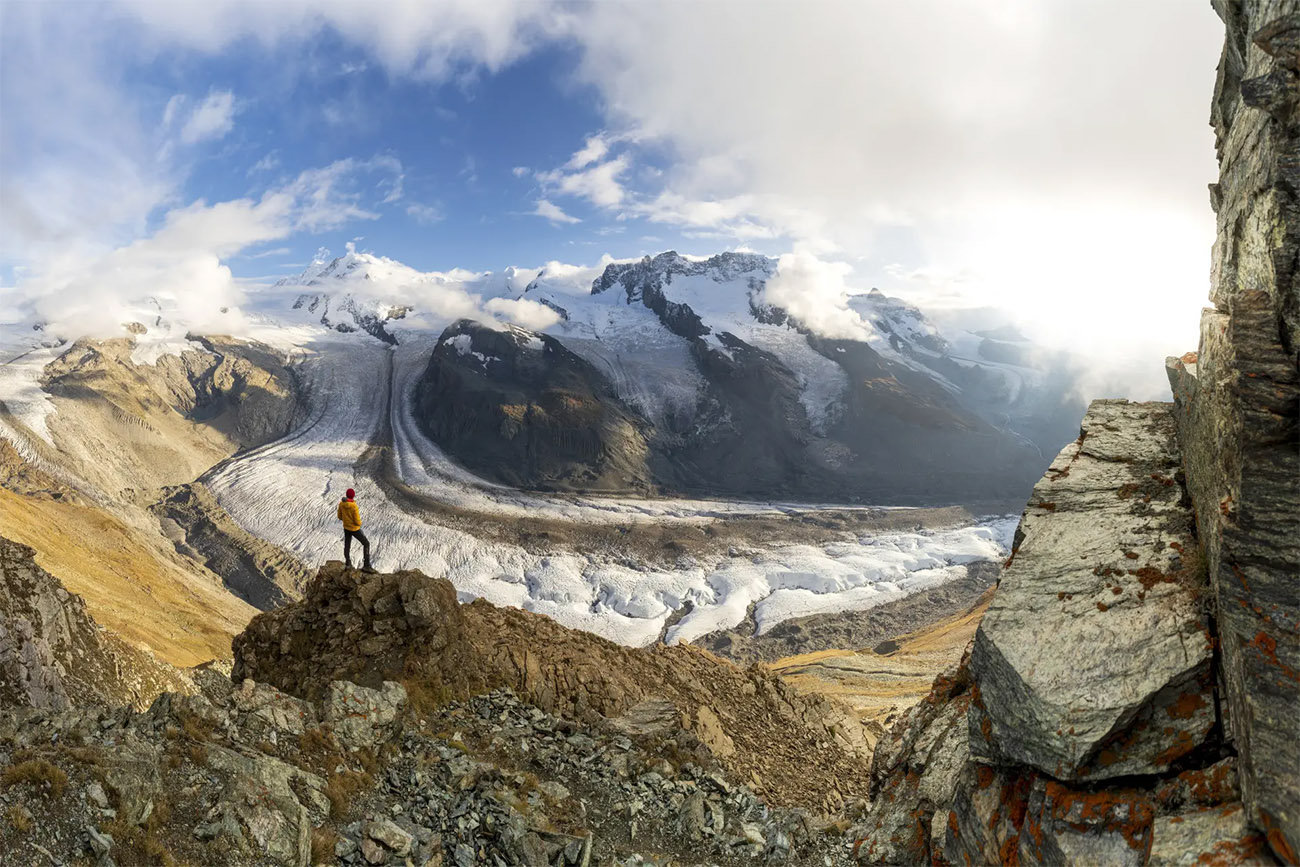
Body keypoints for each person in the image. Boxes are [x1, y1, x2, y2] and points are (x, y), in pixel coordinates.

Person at [336, 488, 373, 572]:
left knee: (347, 544)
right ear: (353, 496)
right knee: (366, 543)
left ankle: (348, 563)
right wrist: (359, 523)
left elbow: (339, 516)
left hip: (346, 528)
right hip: (355, 529)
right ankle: (366, 565)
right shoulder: (354, 506)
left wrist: (346, 520)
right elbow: (357, 521)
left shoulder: (341, 504)